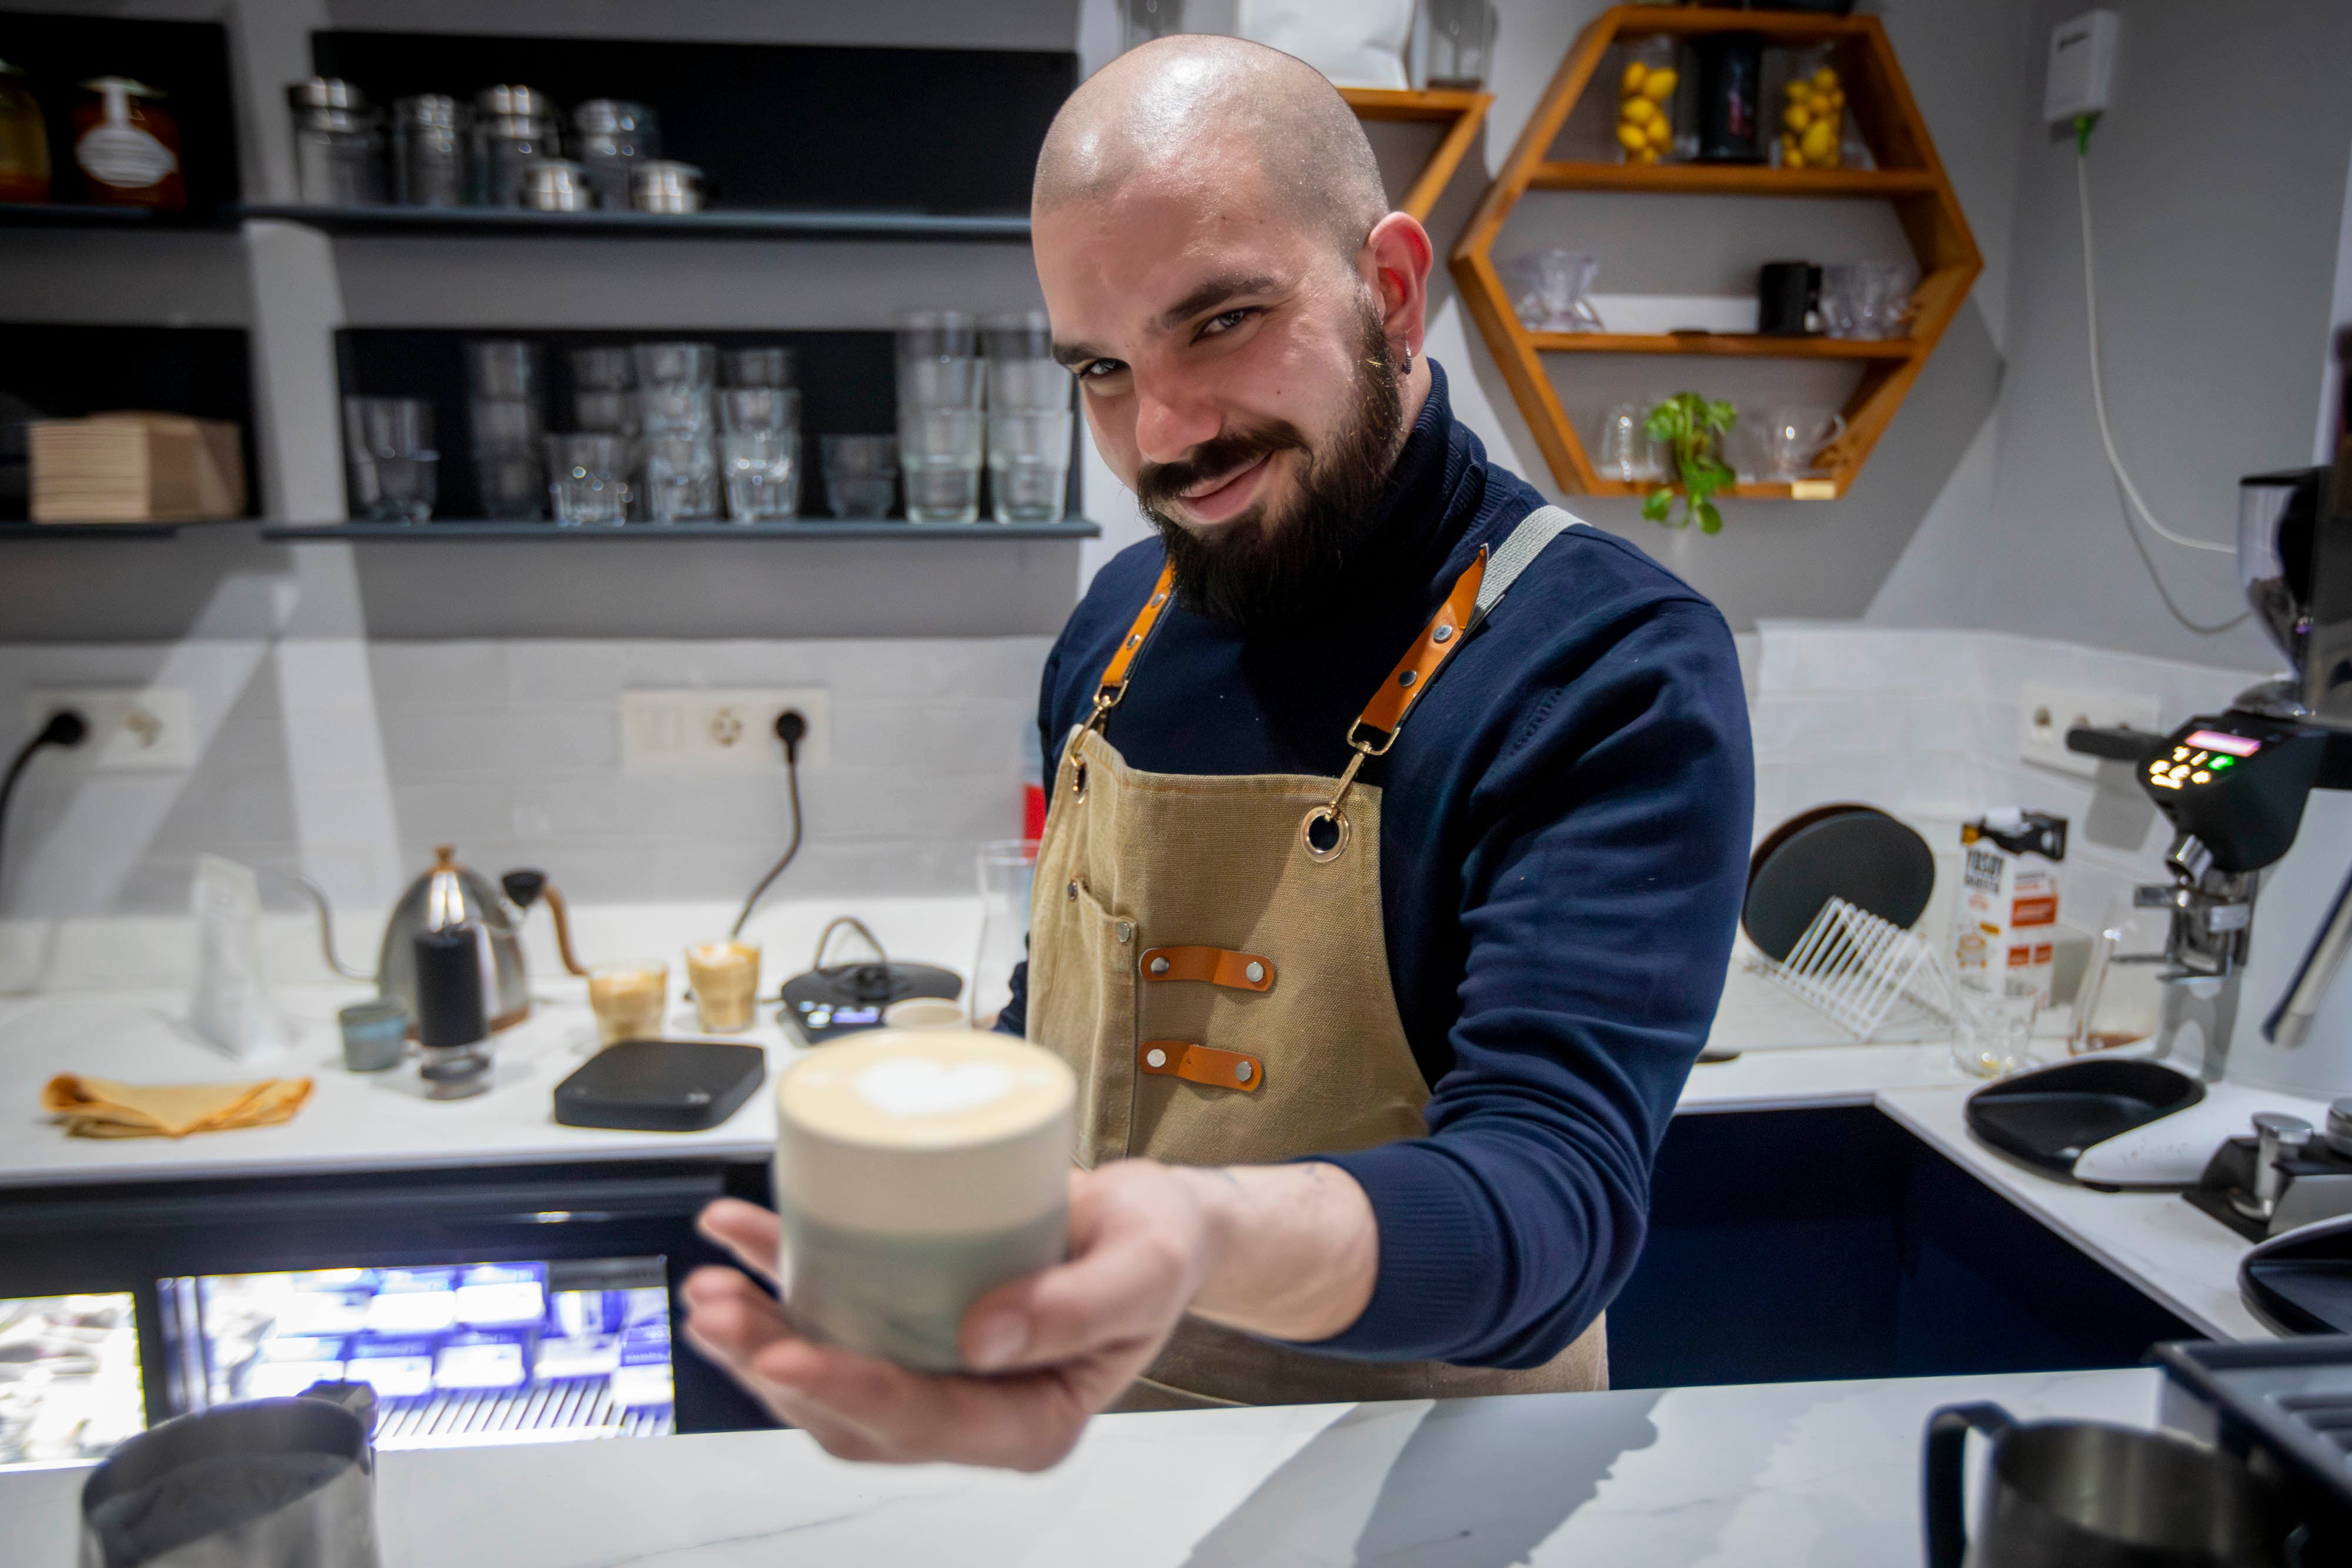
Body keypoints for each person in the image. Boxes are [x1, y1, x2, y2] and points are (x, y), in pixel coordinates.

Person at [682, 34, 1753, 1472]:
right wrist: (944, 1247)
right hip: (1079, 1464)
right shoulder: (1116, 625)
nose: (1165, 433)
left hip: (1424, 1489)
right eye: (1101, 368)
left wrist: (1191, 1234)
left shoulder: (1599, 661)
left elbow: (1552, 1197)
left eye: (1221, 321)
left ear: (1388, 291)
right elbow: (1059, 1026)